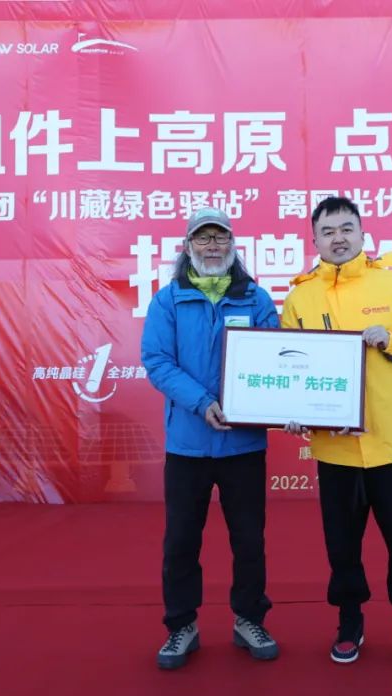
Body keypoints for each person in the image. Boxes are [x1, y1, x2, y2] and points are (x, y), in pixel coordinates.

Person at [282, 196, 392, 670]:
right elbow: (290, 367)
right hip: (335, 450)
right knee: (342, 548)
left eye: (346, 228)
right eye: (327, 231)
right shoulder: (300, 298)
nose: (338, 238)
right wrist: (292, 411)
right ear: (314, 240)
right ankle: (349, 621)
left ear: (362, 233)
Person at [141, 206, 280, 670]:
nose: (213, 246)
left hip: (244, 445)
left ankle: (249, 619)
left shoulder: (256, 299)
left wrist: (286, 403)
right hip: (188, 445)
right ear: (188, 247)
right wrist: (202, 403)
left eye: (220, 237)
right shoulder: (168, 301)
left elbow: (276, 360)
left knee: (249, 540)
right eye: (203, 238)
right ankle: (181, 625)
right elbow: (157, 361)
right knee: (181, 541)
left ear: (233, 245)